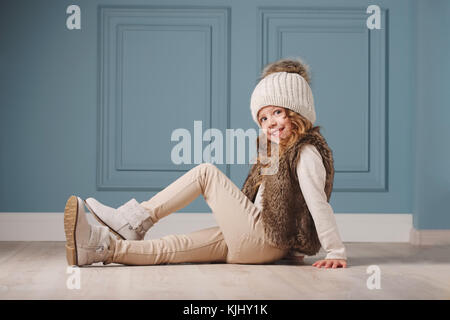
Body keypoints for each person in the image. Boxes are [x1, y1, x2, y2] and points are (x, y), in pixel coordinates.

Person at [63, 57, 347, 269]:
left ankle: (134, 221)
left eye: (277, 112)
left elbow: (316, 203)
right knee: (176, 245)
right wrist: (290, 249)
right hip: (258, 243)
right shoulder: (273, 153)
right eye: (263, 118)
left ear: (297, 111)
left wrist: (335, 252)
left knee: (205, 173)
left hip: (263, 239)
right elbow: (275, 205)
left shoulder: (306, 152)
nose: (270, 122)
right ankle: (100, 248)